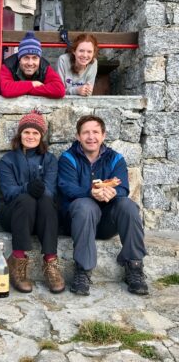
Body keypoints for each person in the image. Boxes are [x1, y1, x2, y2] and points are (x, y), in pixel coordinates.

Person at [58, 115, 148, 296]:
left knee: (128, 206)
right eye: (86, 133)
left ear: (103, 135)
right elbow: (66, 187)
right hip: (76, 221)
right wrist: (90, 192)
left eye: (95, 132)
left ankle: (134, 267)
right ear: (78, 136)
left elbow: (122, 187)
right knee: (85, 205)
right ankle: (83, 271)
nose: (91, 137)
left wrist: (113, 193)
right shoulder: (68, 158)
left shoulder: (116, 159)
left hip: (106, 224)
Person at [0, 110, 65, 294]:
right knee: (26, 199)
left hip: (43, 218)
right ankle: (18, 260)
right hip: (15, 216)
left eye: (35, 133)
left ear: (41, 136)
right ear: (20, 134)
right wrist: (26, 188)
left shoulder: (50, 160)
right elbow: (8, 193)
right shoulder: (8, 160)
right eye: (27, 132)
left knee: (45, 199)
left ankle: (50, 261)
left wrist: (40, 190)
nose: (30, 136)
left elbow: (51, 191)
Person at [0, 31, 65, 99]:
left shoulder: (44, 67)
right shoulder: (8, 65)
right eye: (26, 58)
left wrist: (22, 89)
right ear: (19, 59)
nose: (30, 63)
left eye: (34, 58)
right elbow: (5, 89)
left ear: (39, 59)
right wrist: (33, 84)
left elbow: (59, 90)